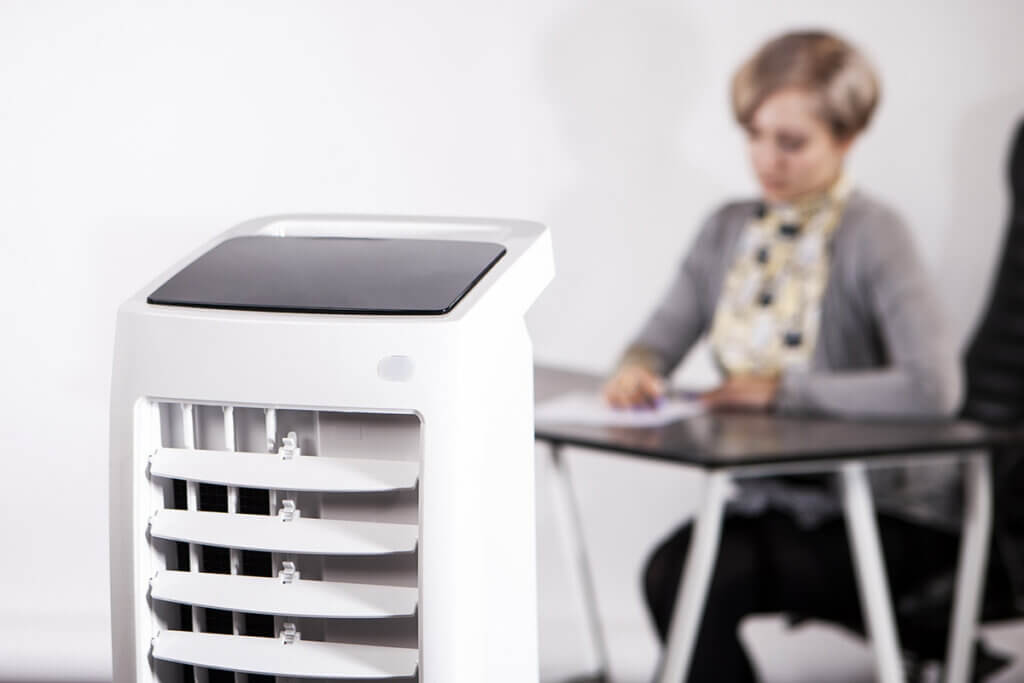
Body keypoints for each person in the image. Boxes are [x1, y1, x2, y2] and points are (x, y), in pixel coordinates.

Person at [603, 30, 975, 681]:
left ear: (847, 138)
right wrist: (636, 369)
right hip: (777, 501)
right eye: (754, 133)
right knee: (672, 574)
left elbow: (933, 387)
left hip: (886, 512)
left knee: (703, 584)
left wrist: (780, 390)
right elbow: (657, 337)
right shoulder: (728, 229)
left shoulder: (874, 235)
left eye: (791, 141)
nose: (765, 159)